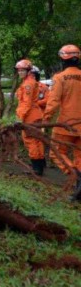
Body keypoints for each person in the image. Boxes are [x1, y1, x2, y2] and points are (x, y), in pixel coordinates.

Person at [42, 44, 81, 201]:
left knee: (57, 153)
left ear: (62, 59)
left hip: (66, 124)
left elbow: (53, 102)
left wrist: (46, 121)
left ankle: (76, 177)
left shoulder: (59, 78)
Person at [14, 59, 45, 175]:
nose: (20, 72)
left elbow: (25, 103)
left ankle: (36, 169)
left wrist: (19, 118)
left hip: (29, 116)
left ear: (28, 71)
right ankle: (40, 164)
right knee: (37, 140)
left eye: (23, 70)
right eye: (19, 70)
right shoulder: (29, 81)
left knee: (30, 141)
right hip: (34, 114)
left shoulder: (28, 84)